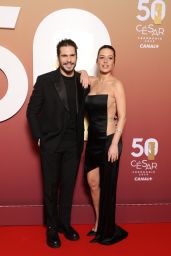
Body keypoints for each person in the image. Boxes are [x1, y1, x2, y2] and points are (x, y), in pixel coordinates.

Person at [27, 39, 88, 248]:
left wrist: (86, 72)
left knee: (68, 187)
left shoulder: (82, 80)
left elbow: (102, 81)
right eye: (65, 56)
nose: (69, 60)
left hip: (74, 145)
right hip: (51, 144)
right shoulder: (45, 81)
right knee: (51, 188)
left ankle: (65, 224)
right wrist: (38, 137)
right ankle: (52, 229)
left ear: (76, 57)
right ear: (58, 57)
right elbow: (31, 112)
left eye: (72, 55)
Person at [84, 45, 128, 245]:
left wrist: (114, 144)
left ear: (114, 62)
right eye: (102, 57)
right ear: (96, 60)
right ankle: (98, 222)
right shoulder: (91, 82)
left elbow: (124, 116)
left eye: (109, 58)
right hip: (92, 140)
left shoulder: (116, 84)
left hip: (110, 140)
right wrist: (83, 71)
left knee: (108, 187)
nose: (105, 61)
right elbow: (73, 73)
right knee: (93, 182)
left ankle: (106, 230)